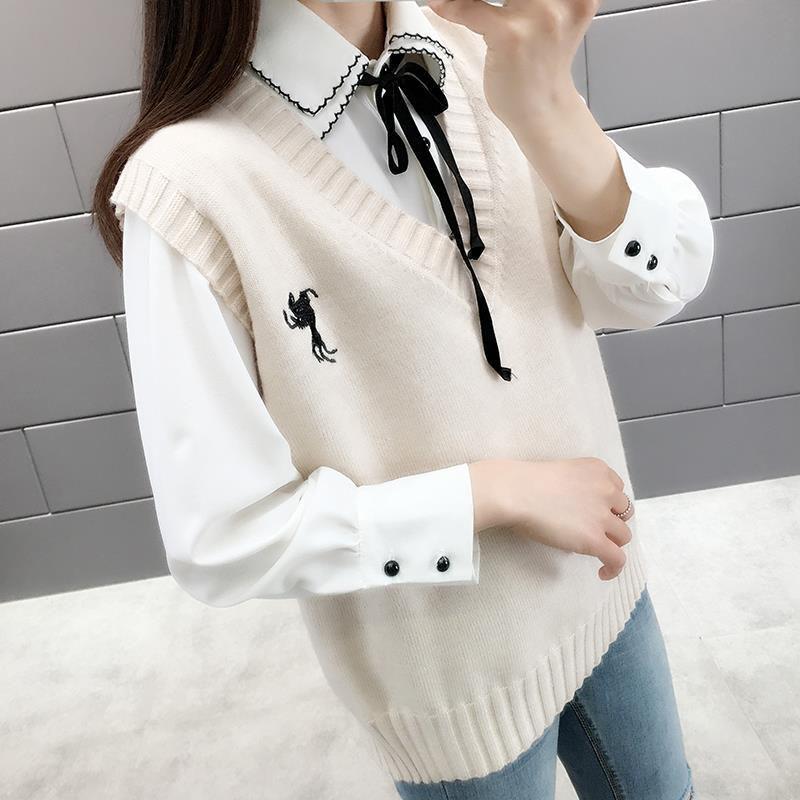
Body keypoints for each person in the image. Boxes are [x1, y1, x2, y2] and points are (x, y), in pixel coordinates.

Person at [92, 0, 712, 797]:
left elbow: (655, 286)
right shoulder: (189, 185)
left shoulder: (483, 47)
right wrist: (496, 493)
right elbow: (222, 538)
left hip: (605, 578)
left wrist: (552, 108)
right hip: (453, 692)